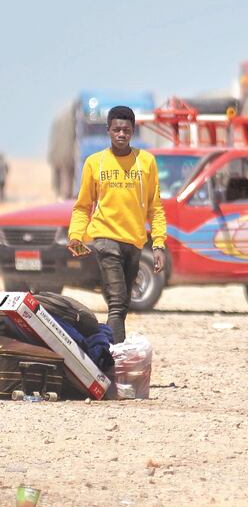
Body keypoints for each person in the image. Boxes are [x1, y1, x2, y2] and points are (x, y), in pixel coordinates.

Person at [67, 106, 167, 344]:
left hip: (133, 241)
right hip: (104, 238)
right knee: (117, 302)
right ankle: (115, 358)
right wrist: (76, 235)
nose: (121, 134)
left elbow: (155, 207)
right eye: (116, 129)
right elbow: (83, 206)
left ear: (133, 131)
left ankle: (105, 352)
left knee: (123, 304)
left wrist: (159, 244)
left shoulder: (146, 162)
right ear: (108, 131)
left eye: (126, 130)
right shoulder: (95, 163)